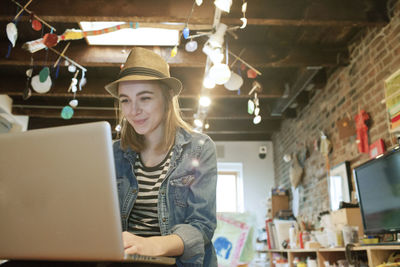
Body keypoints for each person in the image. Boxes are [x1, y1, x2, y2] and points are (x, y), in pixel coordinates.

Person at [104, 47, 218, 267]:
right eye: (125, 100)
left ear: (167, 98)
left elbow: (201, 226)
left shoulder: (199, 148)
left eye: (144, 98)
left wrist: (152, 245)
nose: (133, 110)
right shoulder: (114, 152)